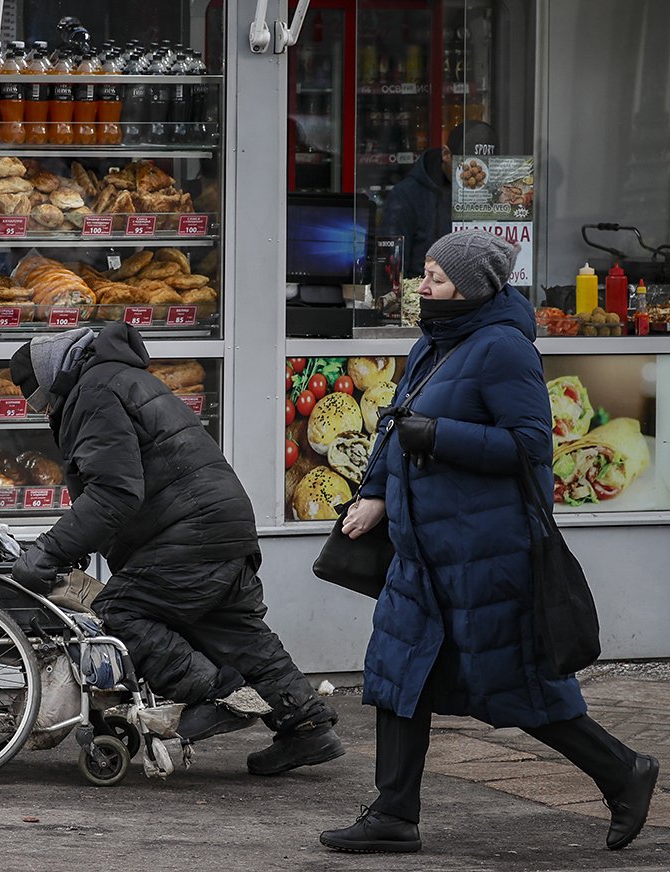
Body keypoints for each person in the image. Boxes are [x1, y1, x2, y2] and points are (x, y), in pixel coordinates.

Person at [320, 230, 659, 854]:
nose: (423, 286)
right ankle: (393, 815)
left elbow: (530, 447)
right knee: (397, 674)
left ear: (471, 288)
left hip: (483, 551)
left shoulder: (503, 348)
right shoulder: (434, 341)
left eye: (437, 278)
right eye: (425, 274)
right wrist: (377, 492)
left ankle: (623, 772)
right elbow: (398, 425)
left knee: (518, 685)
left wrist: (438, 436)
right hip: (421, 548)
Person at [9, 322, 344, 775]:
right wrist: (79, 543)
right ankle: (307, 727)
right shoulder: (117, 378)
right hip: (220, 523)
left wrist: (48, 552)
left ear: (52, 377)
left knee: (120, 613)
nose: (42, 410)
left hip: (189, 532)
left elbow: (113, 491)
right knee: (236, 632)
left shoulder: (94, 392)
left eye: (37, 398)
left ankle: (215, 696)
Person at [380, 120, 499, 277]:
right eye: (467, 166)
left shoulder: (497, 193)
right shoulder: (407, 195)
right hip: (426, 288)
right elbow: (392, 268)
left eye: (487, 168)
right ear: (446, 155)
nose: (477, 177)